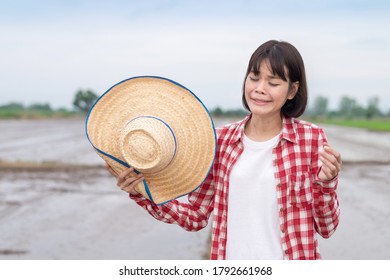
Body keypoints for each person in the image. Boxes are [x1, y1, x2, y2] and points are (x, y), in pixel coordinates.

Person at [105, 40, 341, 260]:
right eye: (254, 77)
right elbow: (195, 215)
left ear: (292, 91)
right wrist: (142, 191)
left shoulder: (310, 139)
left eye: (273, 83)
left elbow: (327, 227)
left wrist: (326, 184)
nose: (260, 89)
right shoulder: (220, 141)